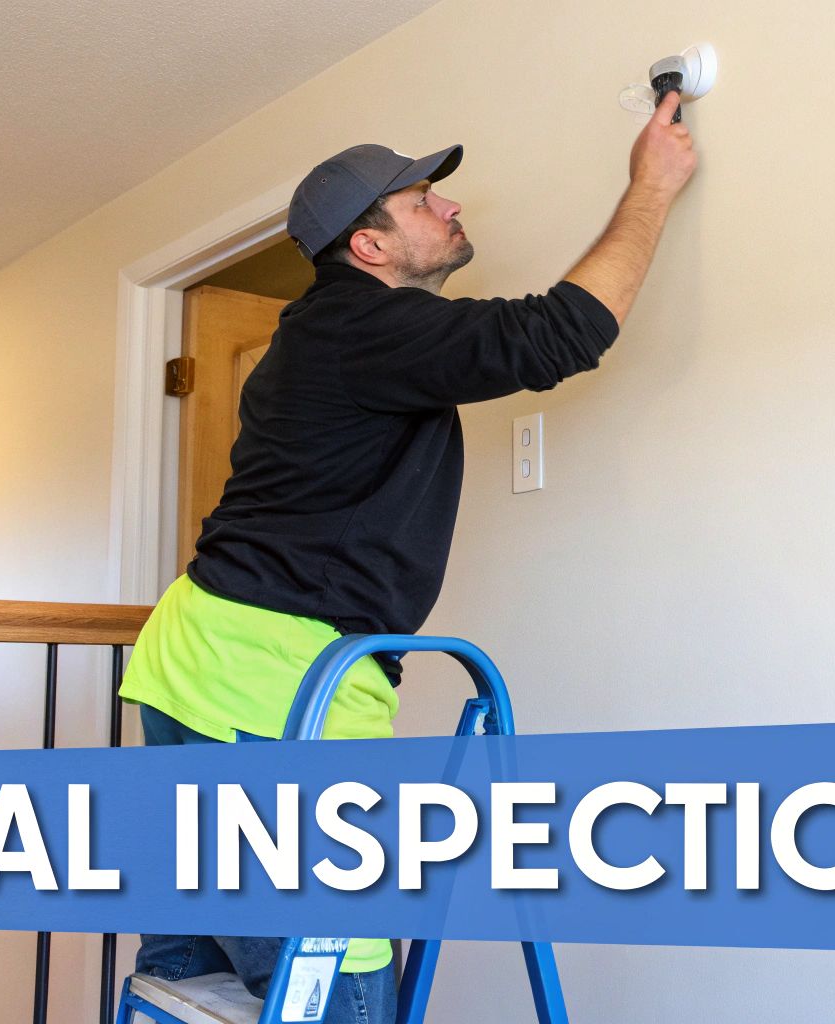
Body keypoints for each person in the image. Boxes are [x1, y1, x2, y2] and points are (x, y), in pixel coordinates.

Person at [118, 89, 699, 1021]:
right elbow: (563, 332)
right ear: (370, 247)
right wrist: (652, 187)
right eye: (424, 199)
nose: (452, 206)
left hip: (189, 662)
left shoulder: (314, 340)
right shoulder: (362, 326)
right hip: (276, 687)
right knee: (338, 988)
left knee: (192, 976)